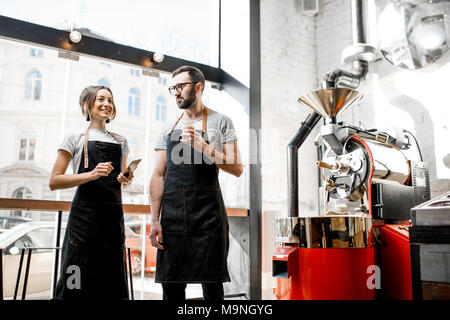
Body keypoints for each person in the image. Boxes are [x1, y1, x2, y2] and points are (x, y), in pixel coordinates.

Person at [149, 66, 243, 301]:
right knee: (171, 287)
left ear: (198, 87)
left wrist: (207, 150)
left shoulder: (221, 122)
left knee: (212, 287)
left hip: (208, 218)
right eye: (173, 88)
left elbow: (237, 167)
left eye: (181, 86)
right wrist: (154, 219)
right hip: (172, 218)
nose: (176, 93)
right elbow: (158, 176)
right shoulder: (168, 127)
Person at [49, 85, 133, 300]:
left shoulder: (120, 141)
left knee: (111, 280)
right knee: (75, 275)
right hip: (83, 221)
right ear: (87, 105)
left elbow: (120, 183)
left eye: (110, 101)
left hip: (113, 220)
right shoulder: (74, 138)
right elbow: (54, 181)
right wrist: (91, 174)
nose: (107, 104)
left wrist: (126, 179)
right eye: (101, 99)